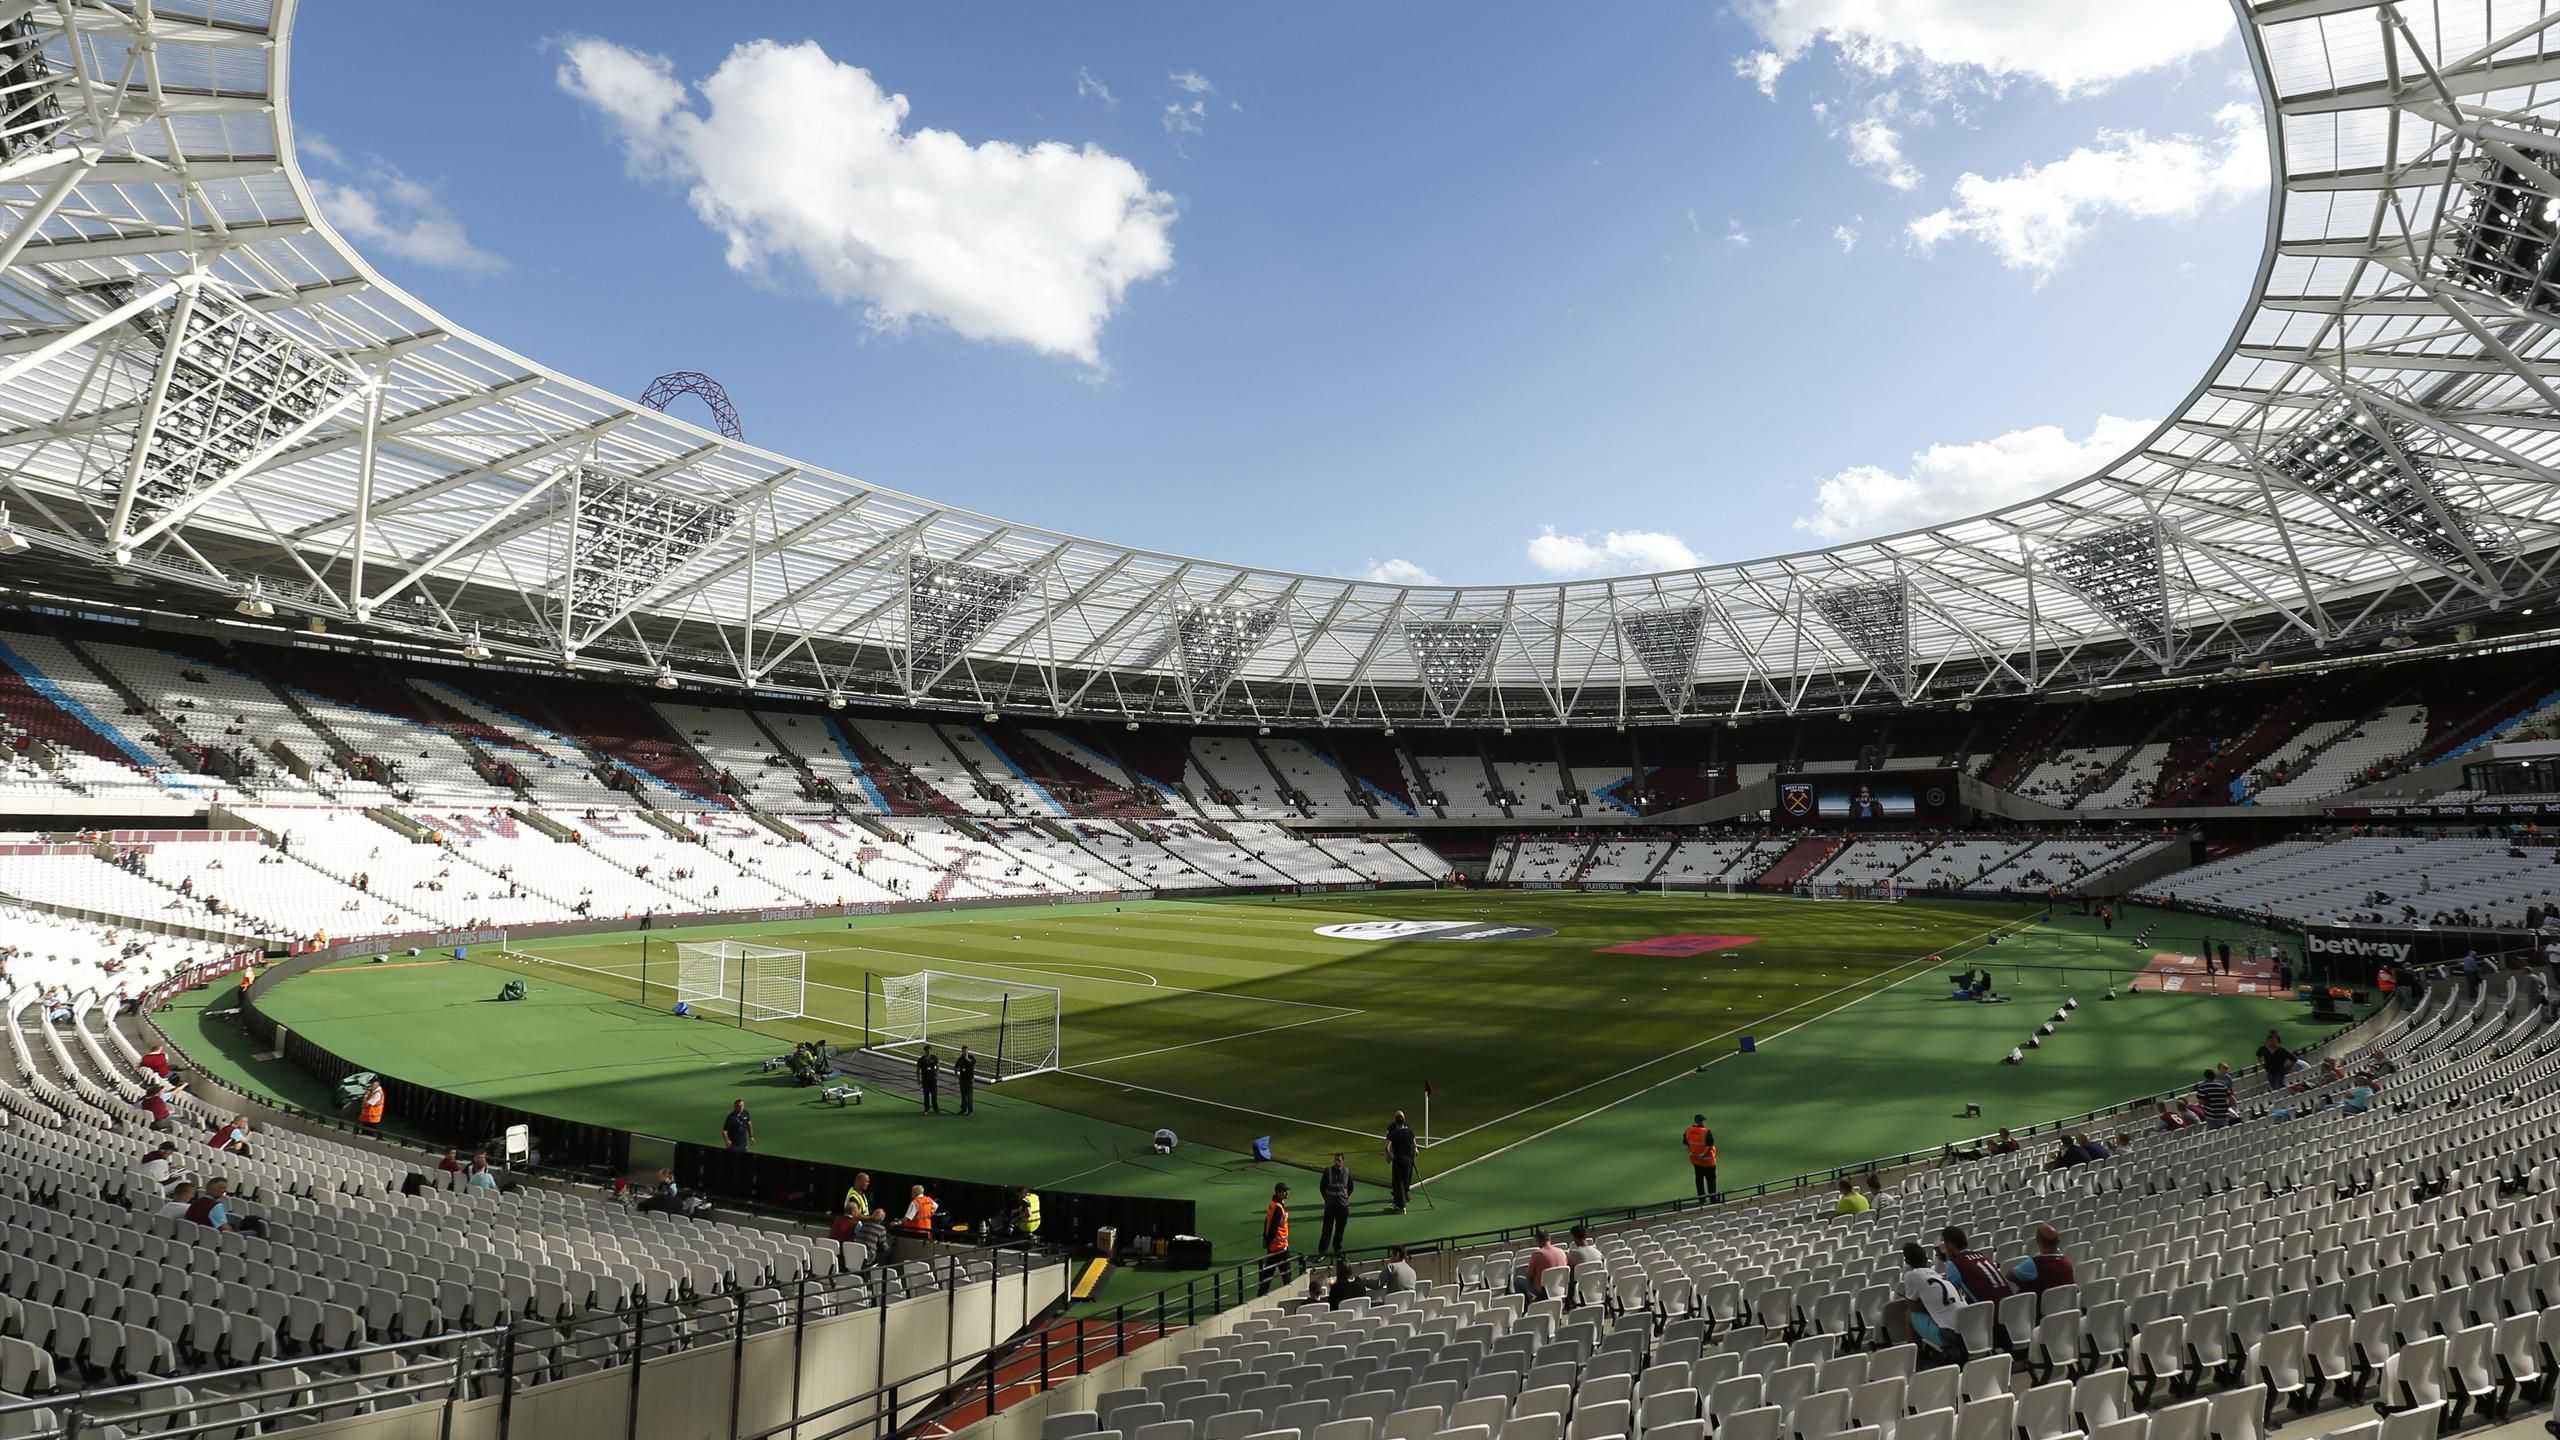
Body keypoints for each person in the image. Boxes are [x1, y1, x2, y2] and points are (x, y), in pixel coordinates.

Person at [1899, 1239, 1968, 1363]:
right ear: (1926, 1259)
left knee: (1909, 1315)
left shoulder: (1911, 1275)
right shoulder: (1939, 1275)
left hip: (1950, 1334)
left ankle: (1915, 1362)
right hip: (1966, 1329)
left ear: (1907, 1261)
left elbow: (1912, 1306)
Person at [1939, 1225, 2013, 1301]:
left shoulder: (1955, 1263)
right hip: (2011, 1301)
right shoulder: (1982, 1256)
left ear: (1950, 1245)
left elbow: (1950, 1293)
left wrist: (1948, 1259)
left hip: (1990, 1306)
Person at [2009, 1224, 2075, 1297]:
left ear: (2038, 1240)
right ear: (2058, 1241)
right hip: (2062, 1303)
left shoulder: (2035, 1264)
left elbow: (2010, 1275)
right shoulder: (2067, 1263)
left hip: (2038, 1304)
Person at [1259, 1182, 1293, 1296]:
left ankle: (1261, 1294)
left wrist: (1266, 1241)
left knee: (1268, 1273)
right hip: (1280, 1247)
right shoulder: (1278, 1208)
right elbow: (1273, 1227)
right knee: (1286, 1274)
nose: (1287, 1193)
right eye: (1284, 1191)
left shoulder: (1273, 1205)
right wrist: (1268, 1241)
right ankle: (1289, 1294)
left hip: (1274, 1247)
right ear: (1278, 1192)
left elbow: (1267, 1222)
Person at [1317, 1152, 1354, 1255]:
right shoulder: (1328, 1171)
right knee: (1327, 1230)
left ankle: (1337, 1248)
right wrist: (1327, 1199)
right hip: (1330, 1206)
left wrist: (1344, 1198)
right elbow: (1322, 1187)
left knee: (1340, 1229)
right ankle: (1322, 1251)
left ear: (1343, 1161)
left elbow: (1350, 1187)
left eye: (1339, 1160)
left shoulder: (1347, 1172)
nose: (1337, 1162)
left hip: (1342, 1206)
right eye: (1336, 1160)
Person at [1518, 1229, 1568, 1298]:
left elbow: (1529, 1276)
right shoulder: (1561, 1252)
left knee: (1518, 1281)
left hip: (1543, 1292)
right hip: (1561, 1289)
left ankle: (1526, 1304)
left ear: (1538, 1240)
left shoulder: (1537, 1254)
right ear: (1549, 1238)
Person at [1384, 1111, 1417, 1213]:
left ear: (1396, 1122)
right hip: (1408, 1160)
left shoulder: (1394, 1133)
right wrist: (1413, 1157)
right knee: (1405, 1181)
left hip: (1398, 1160)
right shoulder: (1410, 1132)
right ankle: (1400, 1201)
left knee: (1398, 1183)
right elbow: (1415, 1147)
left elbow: (1386, 1147)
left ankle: (1400, 1206)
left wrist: (1390, 1156)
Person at [1684, 1114, 1720, 1200]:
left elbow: (1685, 1143)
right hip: (1708, 1161)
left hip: (1696, 1160)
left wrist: (1690, 1152)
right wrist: (1703, 1154)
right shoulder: (1706, 1131)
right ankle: (1713, 1199)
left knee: (1699, 1180)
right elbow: (1710, 1145)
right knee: (1711, 1180)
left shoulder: (1688, 1130)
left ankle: (1701, 1199)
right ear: (1701, 1122)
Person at [916, 1044, 943, 1114]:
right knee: (926, 1094)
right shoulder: (921, 1060)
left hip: (933, 1079)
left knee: (934, 1094)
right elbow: (918, 1070)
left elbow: (938, 1066)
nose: (928, 1052)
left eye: (929, 1051)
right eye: (927, 1051)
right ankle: (926, 1108)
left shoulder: (934, 1058)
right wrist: (918, 1079)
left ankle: (935, 1108)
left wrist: (937, 1074)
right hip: (925, 1079)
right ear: (924, 1051)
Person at [954, 1045, 977, 1117]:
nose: (965, 1052)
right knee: (963, 1095)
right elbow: (956, 1067)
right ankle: (963, 1109)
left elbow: (973, 1063)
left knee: (969, 1095)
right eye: (964, 1051)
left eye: (966, 1051)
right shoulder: (960, 1059)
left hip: (969, 1079)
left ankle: (970, 1110)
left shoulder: (971, 1057)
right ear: (962, 1051)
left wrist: (967, 1058)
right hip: (962, 1079)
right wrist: (957, 1075)